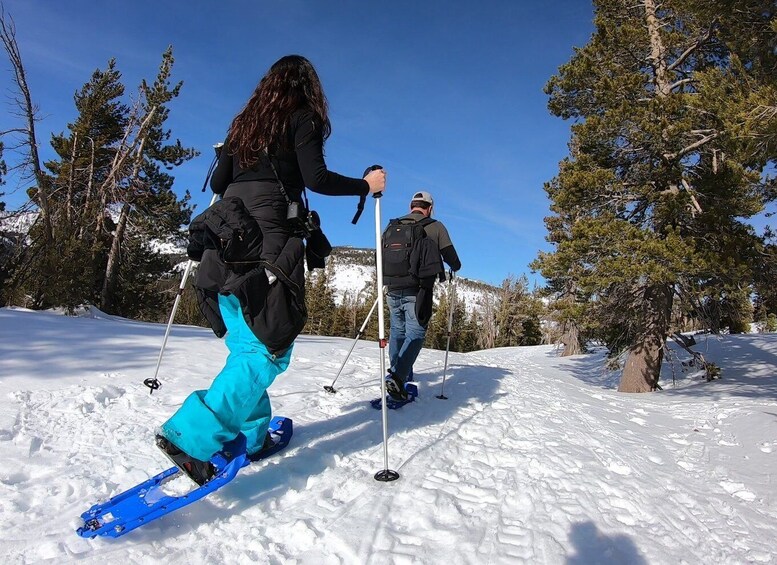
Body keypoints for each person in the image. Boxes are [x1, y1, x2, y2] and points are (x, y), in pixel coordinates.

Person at [156, 54, 387, 485]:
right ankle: (191, 438)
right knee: (267, 346)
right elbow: (315, 179)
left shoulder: (244, 125)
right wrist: (365, 185)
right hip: (267, 241)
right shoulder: (302, 117)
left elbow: (220, 182)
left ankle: (253, 435)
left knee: (248, 342)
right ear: (308, 87)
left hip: (224, 234)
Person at [384, 190, 460, 400]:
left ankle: (396, 374)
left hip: (392, 287)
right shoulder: (435, 226)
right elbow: (452, 258)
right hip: (418, 290)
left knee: (397, 332)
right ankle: (398, 378)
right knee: (416, 333)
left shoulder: (393, 226)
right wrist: (454, 266)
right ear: (430, 208)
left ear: (411, 206)